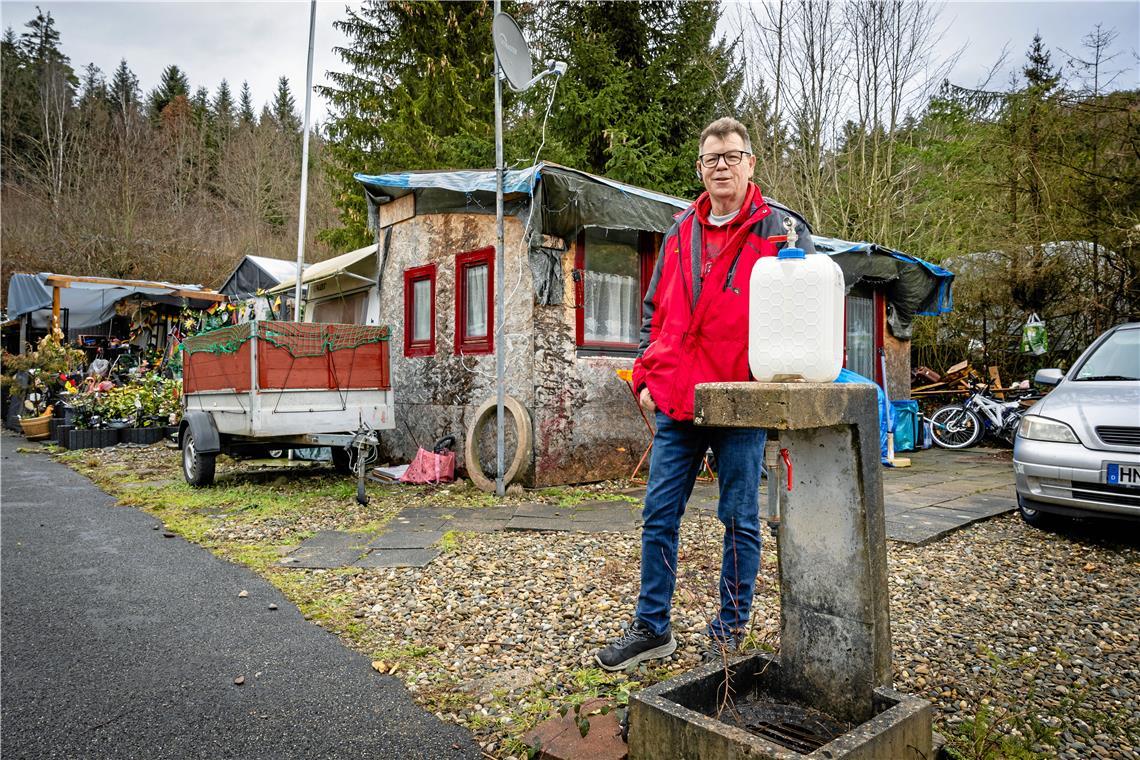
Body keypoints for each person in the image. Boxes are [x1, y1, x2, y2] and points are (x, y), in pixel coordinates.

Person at [595, 117, 815, 671]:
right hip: (678, 398)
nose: (722, 166)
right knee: (659, 513)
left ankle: (730, 629)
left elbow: (805, 313)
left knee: (739, 517)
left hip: (742, 401)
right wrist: (645, 376)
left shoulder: (782, 232)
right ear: (700, 168)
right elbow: (653, 312)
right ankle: (652, 627)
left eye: (732, 156)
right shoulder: (678, 234)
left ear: (750, 164)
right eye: (713, 158)